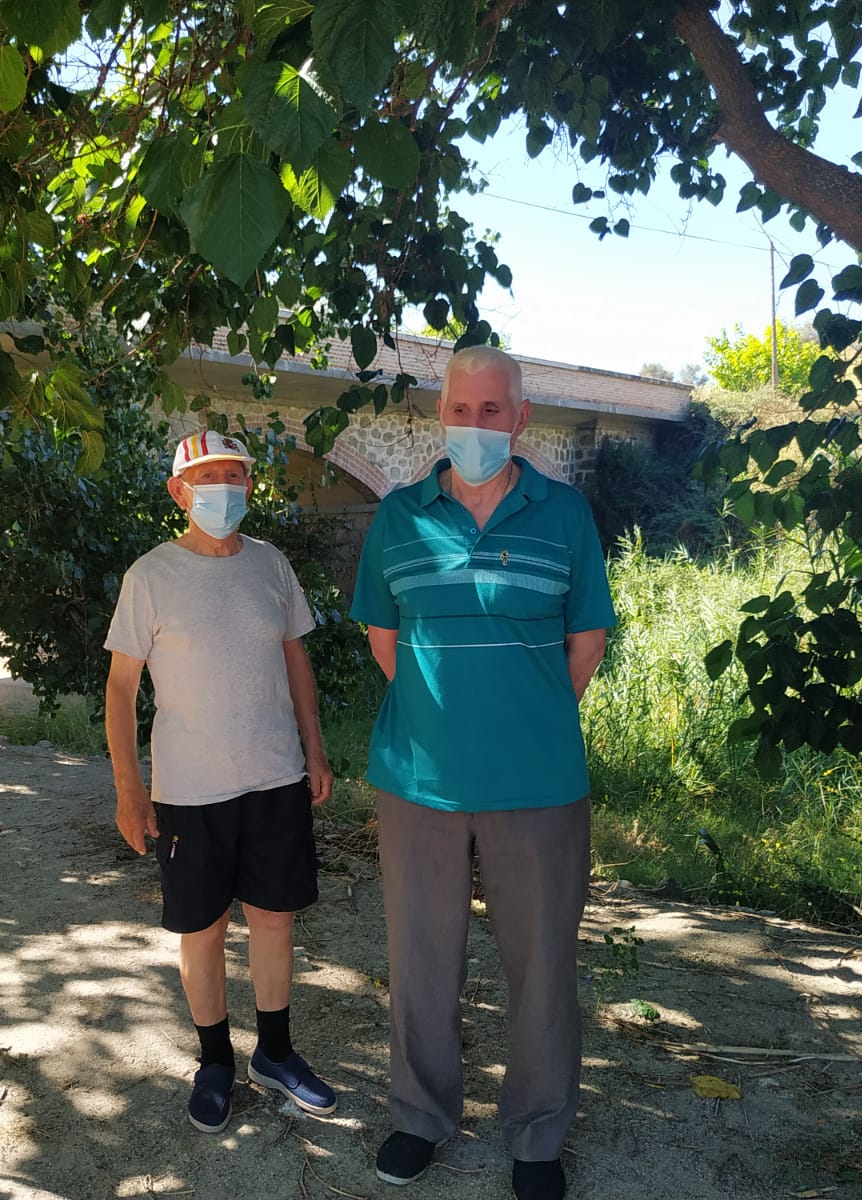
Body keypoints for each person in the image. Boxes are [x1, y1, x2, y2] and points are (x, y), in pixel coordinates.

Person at [349, 346, 616, 1200]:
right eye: (460, 411)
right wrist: (446, 717)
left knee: (542, 965)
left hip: (538, 786)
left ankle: (538, 1136)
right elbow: (383, 638)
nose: (474, 426)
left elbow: (587, 641)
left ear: (520, 419)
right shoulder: (397, 517)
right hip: (419, 783)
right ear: (442, 413)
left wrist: (521, 715)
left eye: (491, 412)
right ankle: (420, 1118)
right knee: (422, 959)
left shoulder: (565, 513)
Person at [103, 429, 338, 1135]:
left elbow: (296, 662)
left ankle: (275, 1052)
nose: (223, 489)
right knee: (201, 928)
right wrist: (128, 789)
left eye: (235, 476)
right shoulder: (151, 576)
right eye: (208, 478)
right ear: (179, 492)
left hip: (275, 777)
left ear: (249, 488)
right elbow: (120, 690)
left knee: (274, 918)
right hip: (189, 791)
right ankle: (214, 1063)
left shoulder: (271, 566)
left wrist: (316, 750)